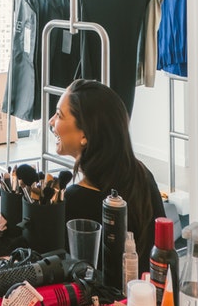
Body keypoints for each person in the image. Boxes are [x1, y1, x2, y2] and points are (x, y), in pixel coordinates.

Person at [49, 78, 165, 274]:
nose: (52, 121)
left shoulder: (76, 199)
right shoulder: (142, 175)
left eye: (59, 115)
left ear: (84, 134)